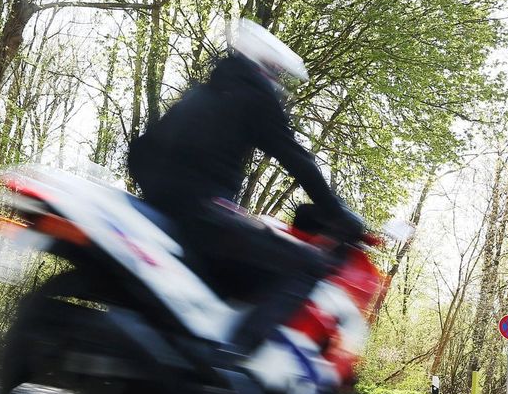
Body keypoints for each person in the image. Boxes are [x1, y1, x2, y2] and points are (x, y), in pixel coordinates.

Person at [127, 18, 363, 357]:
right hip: (203, 212)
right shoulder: (253, 94)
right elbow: (296, 159)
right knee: (309, 264)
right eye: (277, 72)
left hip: (161, 209)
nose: (278, 81)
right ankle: (232, 358)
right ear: (264, 66)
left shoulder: (204, 91)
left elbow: (143, 151)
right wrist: (336, 212)